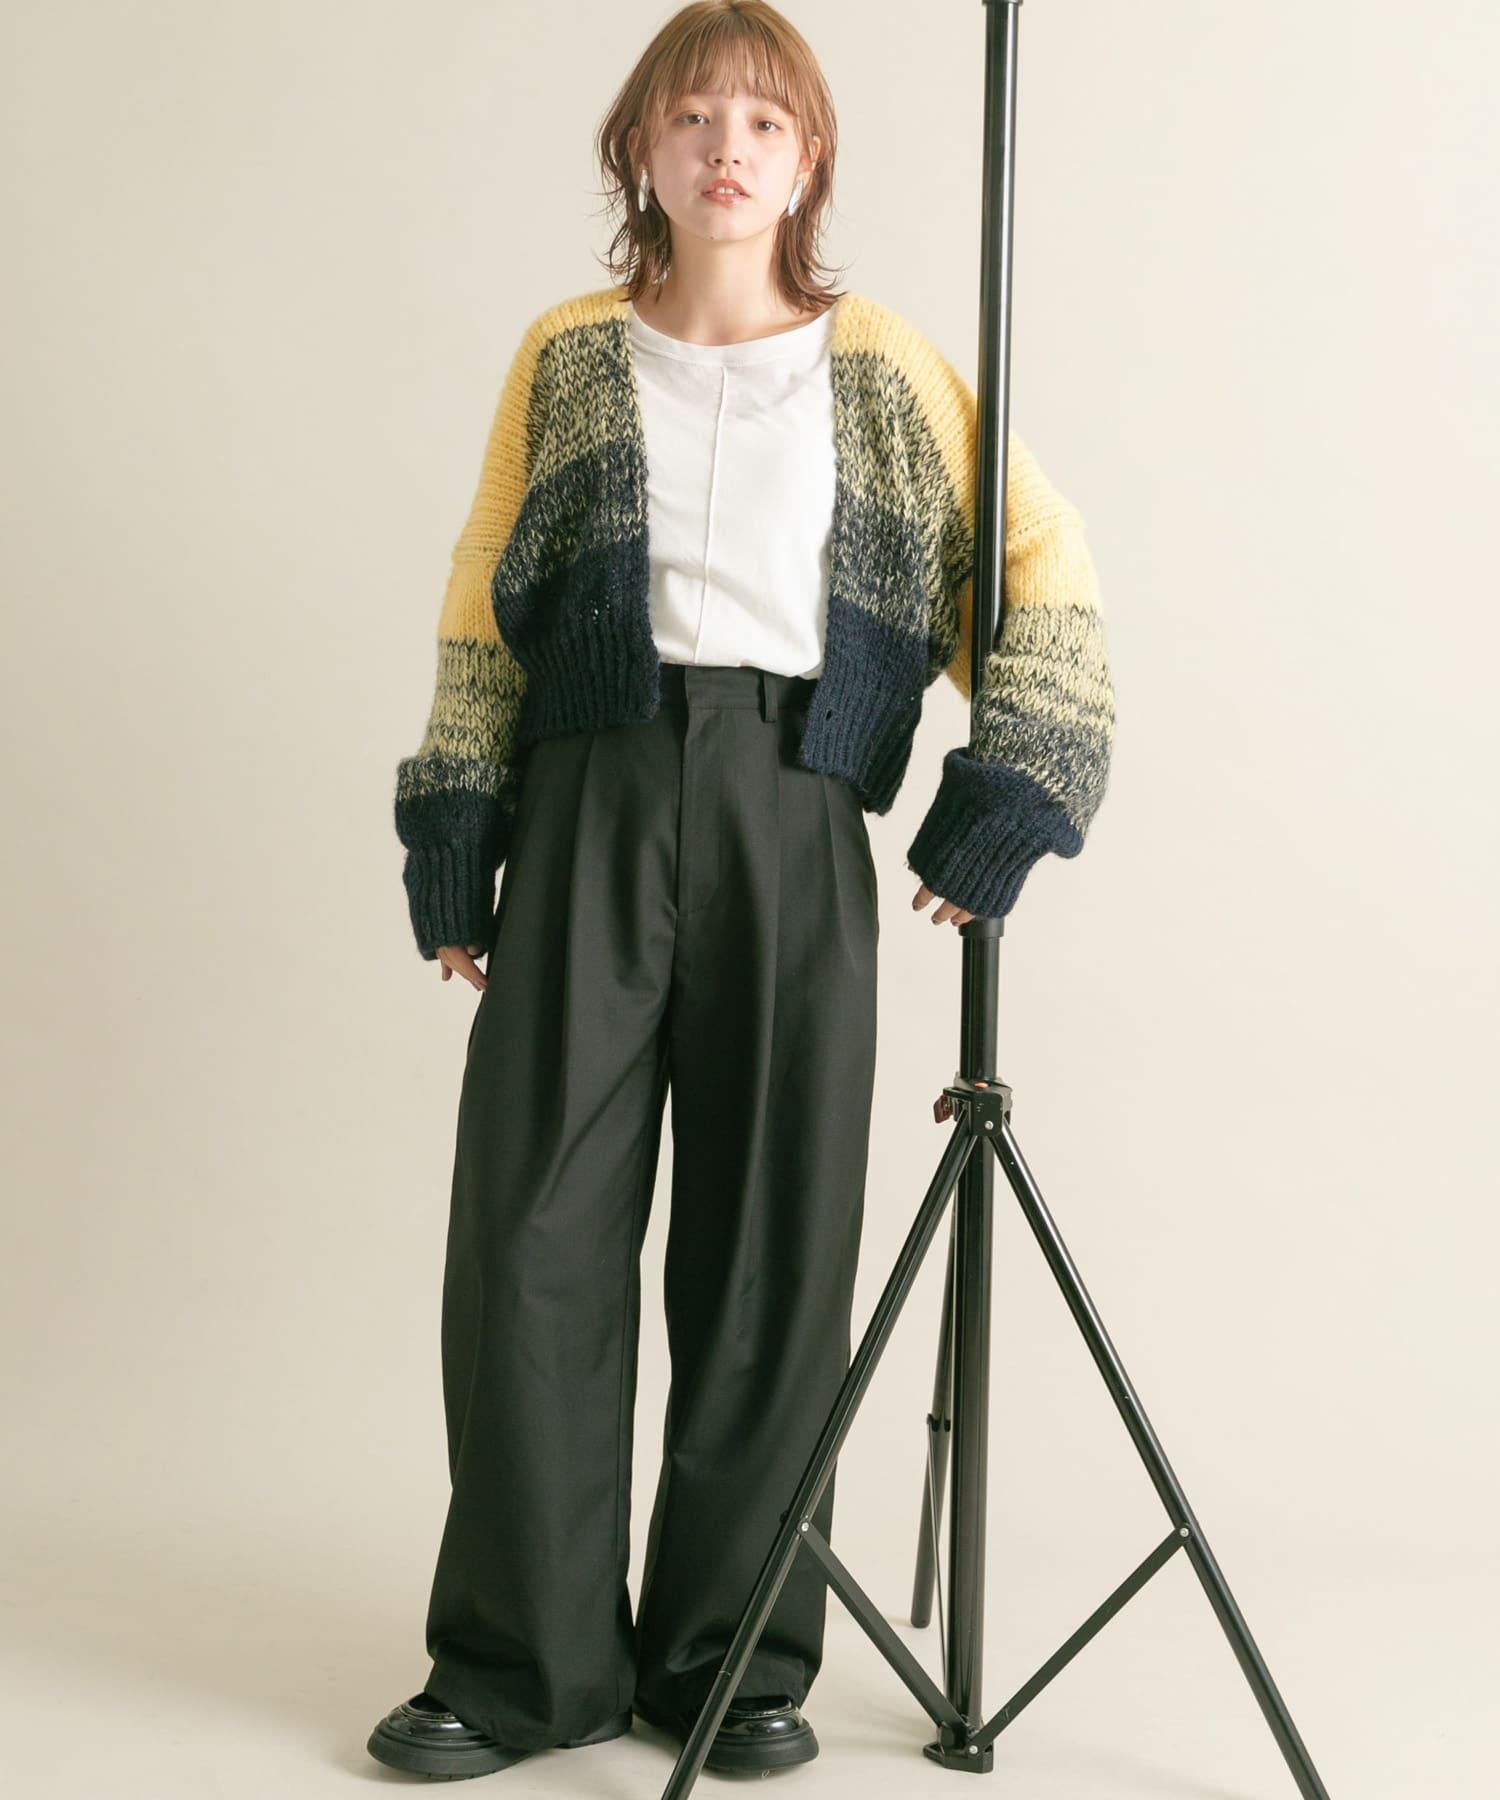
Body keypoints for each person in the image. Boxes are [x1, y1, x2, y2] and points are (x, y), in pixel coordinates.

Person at [367, 0, 1114, 1782]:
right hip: (591, 799)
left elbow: (1042, 567)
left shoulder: (890, 368)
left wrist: (1006, 794)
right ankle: (521, 1666)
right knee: (531, 1237)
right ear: (641, 151)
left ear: (809, 160)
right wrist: (457, 822)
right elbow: (484, 598)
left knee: (774, 1247)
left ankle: (731, 1661)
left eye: (764, 123)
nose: (726, 149)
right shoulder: (565, 356)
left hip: (794, 805)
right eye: (692, 117)